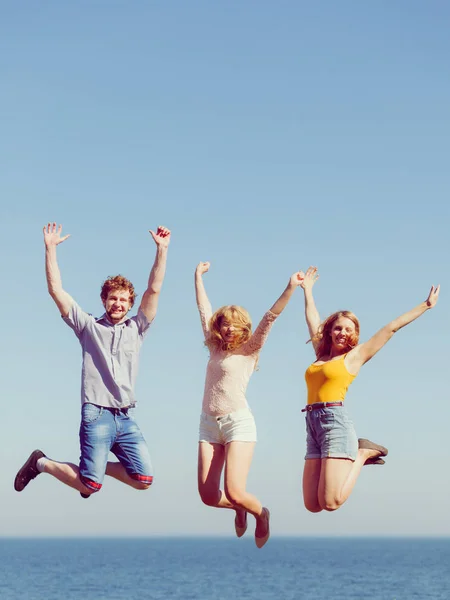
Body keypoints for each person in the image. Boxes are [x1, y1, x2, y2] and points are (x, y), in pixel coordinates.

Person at [14, 222, 171, 498]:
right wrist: (50, 249)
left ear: (130, 304)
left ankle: (94, 468)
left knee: (144, 479)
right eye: (113, 299)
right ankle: (41, 462)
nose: (118, 304)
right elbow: (56, 291)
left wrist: (162, 251)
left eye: (123, 300)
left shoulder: (137, 328)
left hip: (126, 416)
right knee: (90, 487)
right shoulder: (88, 327)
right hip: (96, 414)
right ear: (104, 300)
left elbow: (153, 290)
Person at [299, 266, 440, 513]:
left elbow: (390, 328)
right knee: (313, 505)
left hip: (334, 422)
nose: (342, 333)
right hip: (311, 422)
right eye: (338, 328)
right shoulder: (320, 354)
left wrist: (425, 306)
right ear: (330, 330)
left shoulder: (354, 357)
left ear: (354, 335)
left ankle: (362, 453)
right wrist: (307, 290)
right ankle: (359, 453)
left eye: (348, 330)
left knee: (331, 503)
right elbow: (312, 319)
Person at [195, 261, 304, 548]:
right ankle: (239, 509)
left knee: (234, 490)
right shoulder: (214, 346)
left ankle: (261, 513)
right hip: (208, 425)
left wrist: (291, 286)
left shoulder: (251, 349)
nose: (229, 328)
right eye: (225, 323)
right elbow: (204, 310)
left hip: (237, 423)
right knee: (207, 497)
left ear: (244, 327)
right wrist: (198, 277)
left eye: (235, 324)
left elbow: (271, 316)